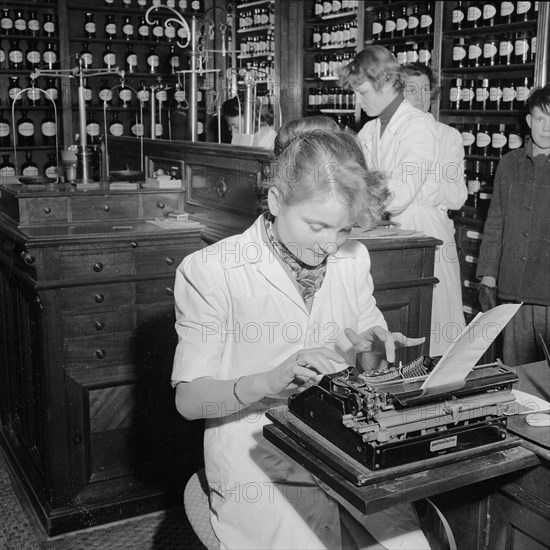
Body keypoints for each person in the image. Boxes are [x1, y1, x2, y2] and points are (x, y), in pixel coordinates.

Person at [171, 116, 430, 549]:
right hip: (254, 442)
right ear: (275, 201)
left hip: (341, 434)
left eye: (344, 228)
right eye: (317, 226)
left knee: (406, 545)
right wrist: (267, 381)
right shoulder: (212, 270)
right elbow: (189, 401)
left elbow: (366, 344)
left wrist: (377, 352)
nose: (331, 244)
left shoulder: (353, 258)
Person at [339, 46, 465, 357]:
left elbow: (401, 192)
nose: (359, 100)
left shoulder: (417, 125)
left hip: (421, 233)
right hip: (387, 235)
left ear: (383, 84)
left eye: (363, 92)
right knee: (392, 322)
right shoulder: (370, 128)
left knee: (429, 327)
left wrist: (357, 190)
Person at [477, 84, 550, 366]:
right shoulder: (509, 164)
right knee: (515, 370)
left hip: (546, 290)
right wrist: (488, 274)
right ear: (529, 121)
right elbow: (495, 222)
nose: (546, 127)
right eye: (540, 118)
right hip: (513, 289)